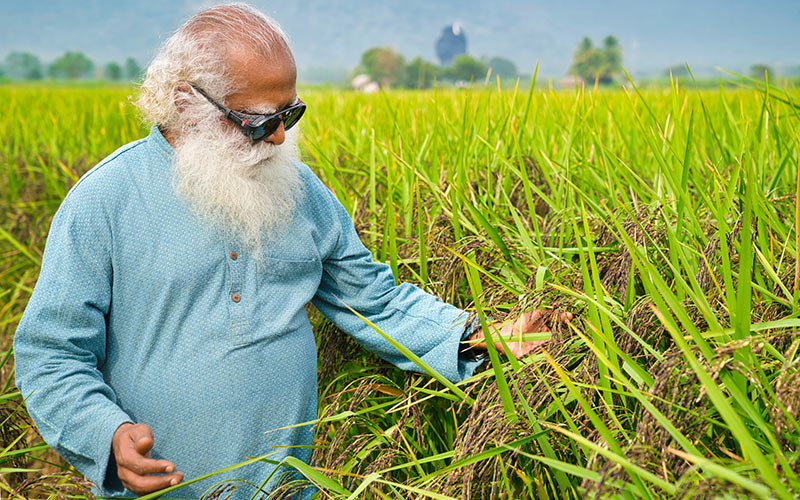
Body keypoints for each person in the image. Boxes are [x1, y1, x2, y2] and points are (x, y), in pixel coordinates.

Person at [13, 4, 565, 499]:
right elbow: (51, 354)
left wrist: (480, 338)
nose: (279, 138)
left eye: (289, 115)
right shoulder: (106, 201)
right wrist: (105, 438)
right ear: (186, 104)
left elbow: (374, 301)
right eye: (259, 121)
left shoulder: (300, 193)